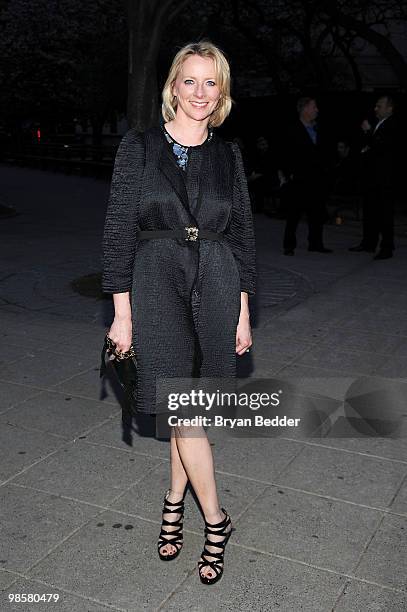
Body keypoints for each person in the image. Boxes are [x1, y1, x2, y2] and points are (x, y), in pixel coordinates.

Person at [102, 41, 256, 585]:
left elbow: (241, 235)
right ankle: (216, 521)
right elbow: (119, 229)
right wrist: (121, 313)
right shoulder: (138, 147)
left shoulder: (228, 154)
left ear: (222, 92)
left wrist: (242, 311)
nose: (199, 92)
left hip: (216, 283)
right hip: (155, 281)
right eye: (189, 81)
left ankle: (173, 500)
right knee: (183, 408)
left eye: (210, 82)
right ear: (172, 87)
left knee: (183, 409)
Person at [349, 95, 398, 259]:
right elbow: (372, 146)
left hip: (385, 179)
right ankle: (369, 243)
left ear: (389, 108)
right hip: (372, 177)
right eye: (376, 106)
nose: (375, 109)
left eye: (379, 106)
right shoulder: (378, 124)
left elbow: (382, 146)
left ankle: (387, 247)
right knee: (370, 211)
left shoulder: (393, 124)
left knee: (384, 213)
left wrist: (369, 133)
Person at [282, 97, 332, 255]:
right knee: (294, 214)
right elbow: (286, 154)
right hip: (299, 179)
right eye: (313, 107)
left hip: (317, 179)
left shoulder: (318, 128)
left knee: (316, 212)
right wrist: (288, 174)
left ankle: (316, 243)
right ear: (304, 109)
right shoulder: (292, 129)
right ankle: (289, 245)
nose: (316, 110)